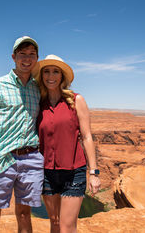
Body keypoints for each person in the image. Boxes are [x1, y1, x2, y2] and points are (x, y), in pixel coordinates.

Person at [0, 36, 44, 233]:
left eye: (31, 54)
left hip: (30, 159)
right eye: (22, 54)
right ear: (14, 57)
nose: (27, 59)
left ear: (37, 58)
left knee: (24, 215)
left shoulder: (38, 88)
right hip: (1, 158)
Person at [33, 54, 101, 233]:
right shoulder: (39, 103)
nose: (51, 76)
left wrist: (93, 173)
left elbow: (87, 137)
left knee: (67, 227)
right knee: (54, 224)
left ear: (62, 76)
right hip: (46, 172)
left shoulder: (76, 100)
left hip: (73, 172)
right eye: (46, 72)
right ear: (42, 76)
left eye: (55, 71)